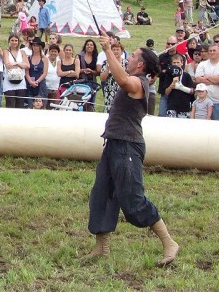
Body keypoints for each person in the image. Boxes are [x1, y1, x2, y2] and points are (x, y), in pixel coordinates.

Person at [85, 35, 178, 266]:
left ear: (141, 65)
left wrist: (108, 51)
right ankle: (102, 248)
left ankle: (169, 242)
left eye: (133, 55)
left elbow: (124, 81)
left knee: (133, 199)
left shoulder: (140, 83)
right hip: (115, 143)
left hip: (128, 146)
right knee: (102, 194)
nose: (129, 57)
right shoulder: (136, 78)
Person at [195, 44, 219, 120]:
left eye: (214, 50)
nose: (212, 52)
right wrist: (215, 80)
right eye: (210, 51)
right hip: (202, 102)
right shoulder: (202, 64)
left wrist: (206, 77)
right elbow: (198, 80)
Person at [2, 33, 29, 108]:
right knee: (10, 105)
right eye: (12, 40)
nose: (14, 42)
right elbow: (7, 65)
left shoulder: (22, 52)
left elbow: (27, 65)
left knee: (20, 105)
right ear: (9, 41)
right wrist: (20, 64)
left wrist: (16, 63)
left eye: (16, 40)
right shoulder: (6, 52)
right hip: (9, 82)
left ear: (18, 41)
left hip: (21, 82)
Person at [164, 54, 194, 118]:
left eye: (178, 62)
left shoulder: (186, 75)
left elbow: (191, 91)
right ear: (171, 64)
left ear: (182, 63)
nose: (176, 64)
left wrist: (181, 87)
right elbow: (166, 92)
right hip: (172, 106)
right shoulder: (168, 76)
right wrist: (172, 85)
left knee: (183, 126)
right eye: (174, 63)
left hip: (184, 106)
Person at [100, 42, 127, 113]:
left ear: (121, 51)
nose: (115, 51)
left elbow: (129, 77)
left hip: (122, 91)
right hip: (109, 92)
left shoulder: (126, 63)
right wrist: (108, 68)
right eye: (113, 50)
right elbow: (102, 78)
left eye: (117, 49)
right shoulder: (105, 63)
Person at [157, 37, 178, 117]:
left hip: (177, 92)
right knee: (162, 115)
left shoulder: (181, 57)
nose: (170, 45)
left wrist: (166, 71)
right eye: (168, 43)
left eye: (172, 44)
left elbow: (179, 73)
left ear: (176, 44)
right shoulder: (161, 57)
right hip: (164, 90)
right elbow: (157, 73)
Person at [26, 37, 48, 105]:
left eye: (37, 45)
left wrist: (37, 81)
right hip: (30, 84)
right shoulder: (28, 58)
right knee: (30, 104)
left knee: (41, 104)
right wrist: (30, 81)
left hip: (40, 84)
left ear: (40, 47)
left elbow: (45, 73)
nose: (35, 47)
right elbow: (26, 72)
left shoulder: (44, 58)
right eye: (34, 45)